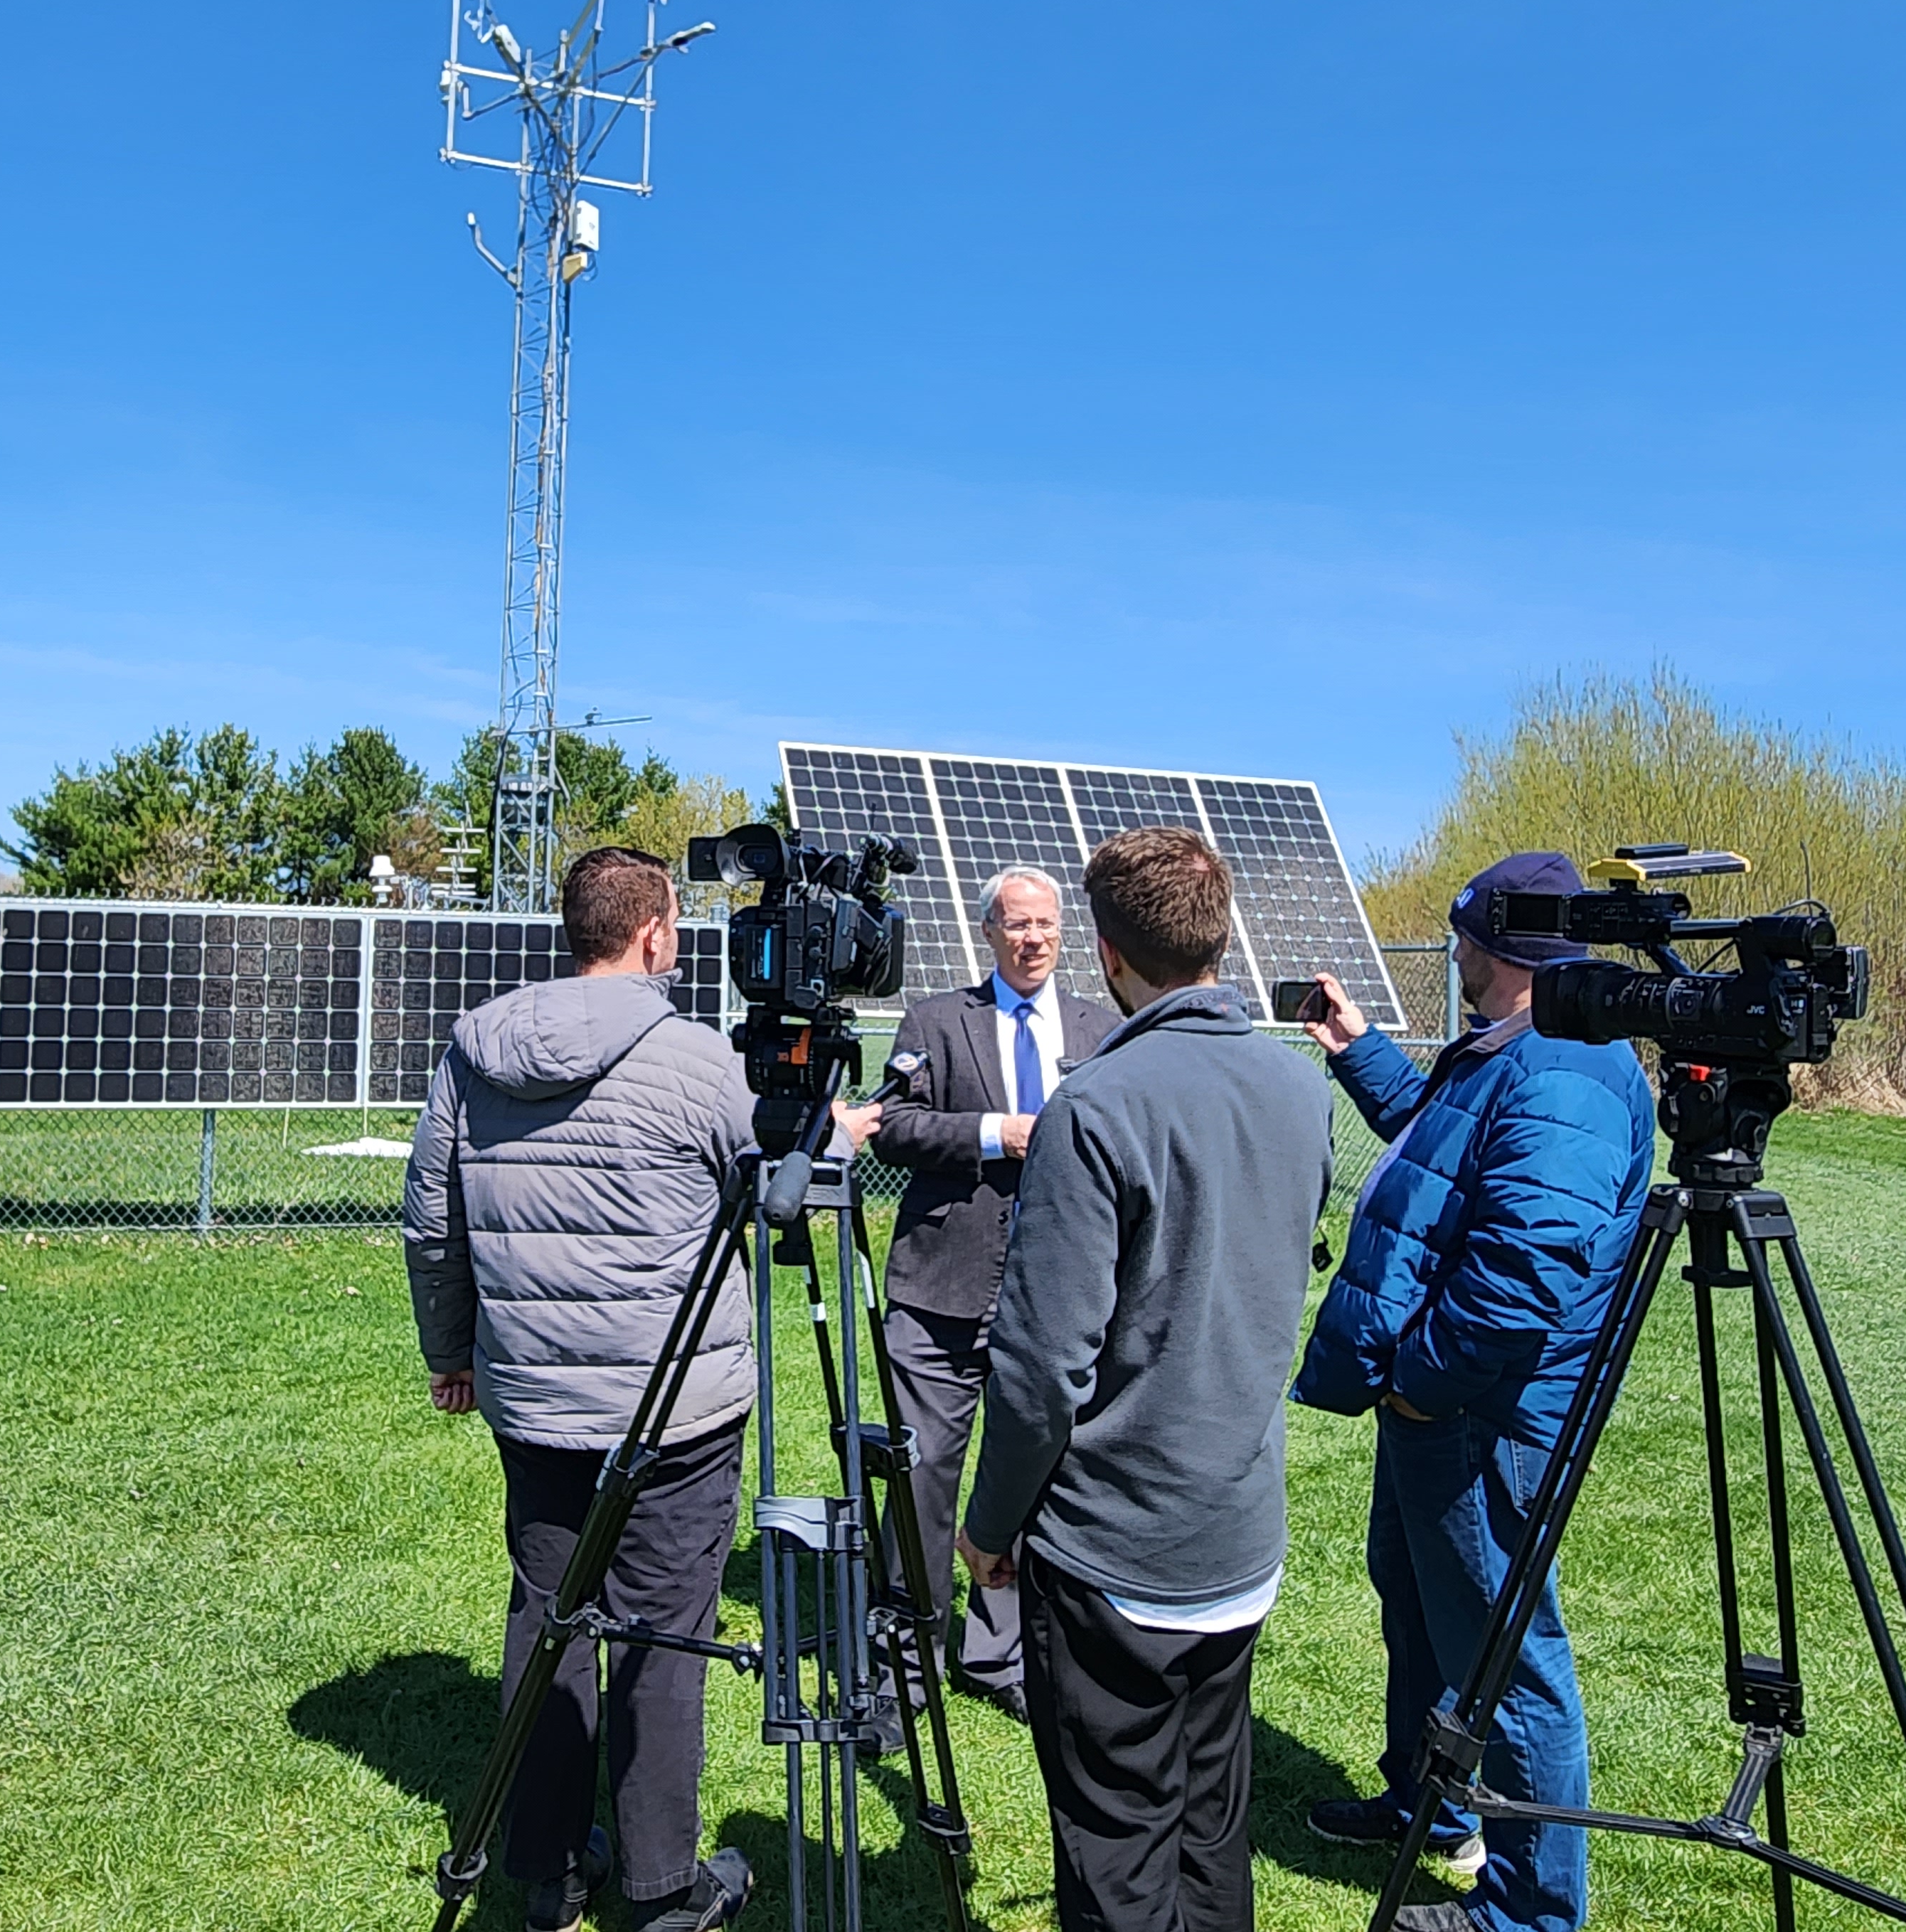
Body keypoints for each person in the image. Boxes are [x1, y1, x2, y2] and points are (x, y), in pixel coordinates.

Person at [403, 846, 881, 1932]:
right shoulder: (694, 1055)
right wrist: (828, 1142)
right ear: (657, 933)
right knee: (667, 1633)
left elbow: (433, 1219)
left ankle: (549, 1873)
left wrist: (453, 1353)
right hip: (680, 1414)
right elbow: (772, 1205)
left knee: (550, 1619)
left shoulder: (474, 1051)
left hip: (534, 1403)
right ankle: (664, 1884)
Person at [957, 826, 1333, 1932]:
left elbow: (1039, 1373)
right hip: (1237, 1539)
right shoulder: (1301, 1089)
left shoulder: (1097, 1106)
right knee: (1211, 1829)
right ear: (1221, 939)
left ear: (1109, 958)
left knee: (1120, 1851)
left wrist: (987, 1529)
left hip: (1116, 1554)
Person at [1289, 851, 1656, 1932]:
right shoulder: (1512, 1049)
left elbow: (1527, 1260)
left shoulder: (1572, 1069)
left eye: (1460, 932)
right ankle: (1430, 1806)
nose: (1450, 948)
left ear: (1495, 943)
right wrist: (1358, 1051)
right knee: (1421, 1606)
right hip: (1442, 1409)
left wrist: (1422, 1382)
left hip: (1486, 1416)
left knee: (1508, 1656)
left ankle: (1529, 1912)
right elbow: (1439, 1146)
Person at [866, 864, 1121, 1724]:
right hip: (940, 1292)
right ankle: (904, 1671)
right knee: (922, 1476)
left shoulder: (1102, 1030)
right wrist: (992, 1133)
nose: (1033, 938)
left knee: (1034, 1479)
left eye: (1046, 924)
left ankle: (998, 1654)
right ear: (989, 932)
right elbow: (891, 1125)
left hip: (1057, 1297)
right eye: (1016, 925)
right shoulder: (938, 1022)